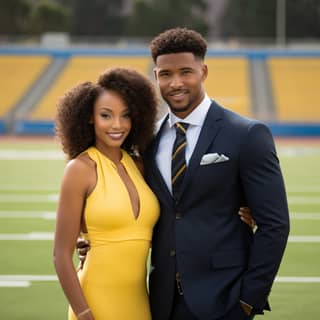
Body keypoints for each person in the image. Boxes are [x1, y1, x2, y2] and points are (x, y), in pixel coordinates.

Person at [143, 27, 290, 320]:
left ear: (204, 71)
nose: (176, 83)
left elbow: (275, 224)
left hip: (225, 300)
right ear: (156, 76)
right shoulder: (148, 138)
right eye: (165, 74)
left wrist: (249, 299)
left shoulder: (247, 134)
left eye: (186, 72)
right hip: (161, 303)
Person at [53, 67, 160, 320]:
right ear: (90, 117)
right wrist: (84, 313)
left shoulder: (139, 165)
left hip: (139, 304)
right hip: (95, 303)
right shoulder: (79, 169)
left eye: (126, 116)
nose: (117, 125)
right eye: (106, 115)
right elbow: (60, 255)